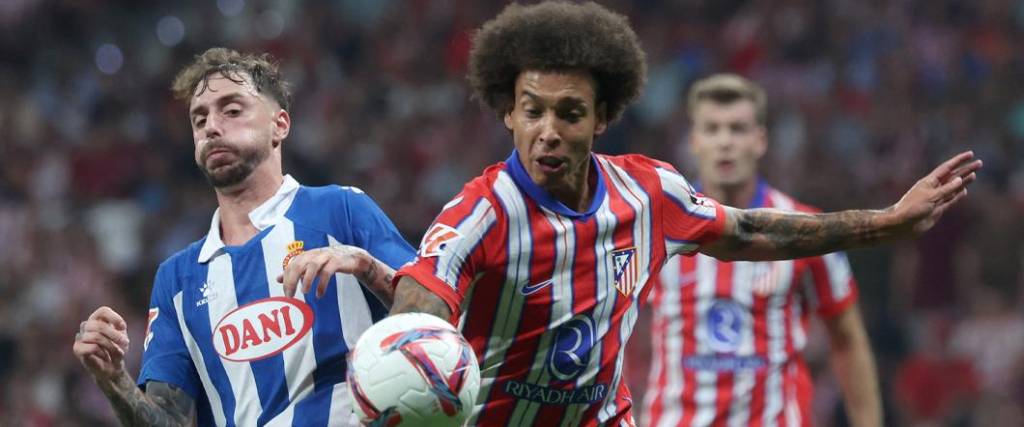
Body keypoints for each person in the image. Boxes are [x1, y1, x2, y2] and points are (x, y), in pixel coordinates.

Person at [387, 2, 981, 426]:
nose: (548, 132)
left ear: (601, 119)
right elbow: (424, 298)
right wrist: (412, 336)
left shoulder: (647, 194)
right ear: (507, 114)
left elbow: (747, 228)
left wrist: (888, 221)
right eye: (532, 111)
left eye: (569, 113)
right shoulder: (479, 213)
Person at [72, 48, 415, 426]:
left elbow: (437, 319)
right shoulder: (177, 279)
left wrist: (367, 267)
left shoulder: (340, 211)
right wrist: (115, 381)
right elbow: (170, 418)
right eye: (199, 119)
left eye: (231, 111)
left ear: (280, 125)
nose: (211, 127)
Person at [637, 74, 881, 427]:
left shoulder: (808, 230)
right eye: (712, 129)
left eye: (737, 129)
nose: (725, 142)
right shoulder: (657, 226)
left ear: (760, 140)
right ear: (694, 141)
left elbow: (848, 338)